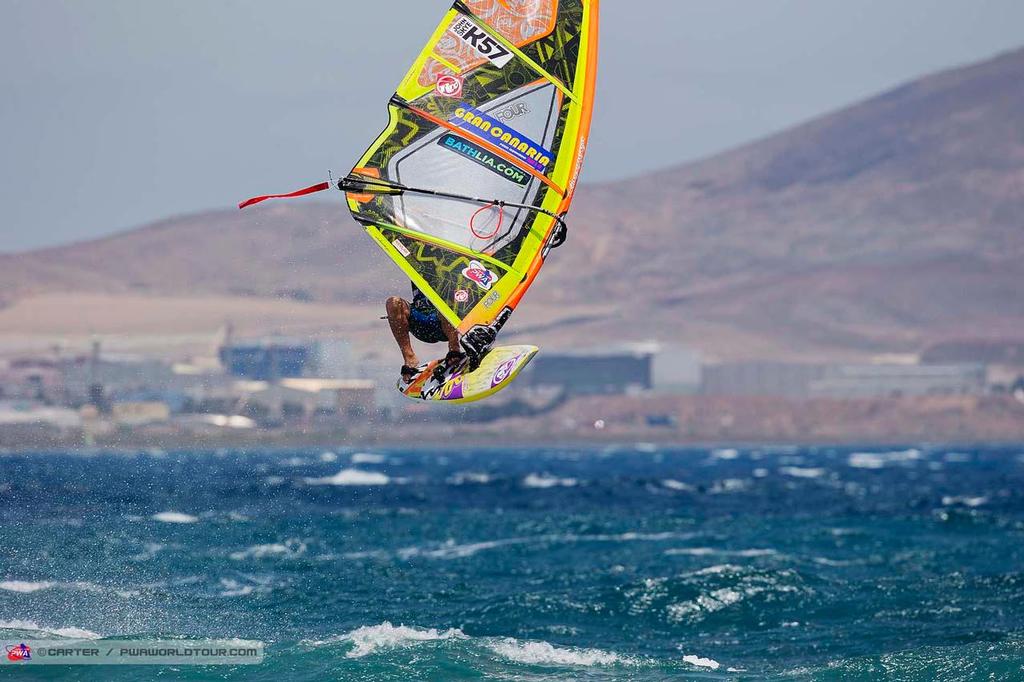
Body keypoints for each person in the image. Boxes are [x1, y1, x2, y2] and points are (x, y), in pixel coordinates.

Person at [387, 284, 465, 382]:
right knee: (393, 303)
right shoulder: (419, 268)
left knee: (450, 298)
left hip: (443, 323)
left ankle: (454, 349)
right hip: (420, 323)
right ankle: (410, 358)